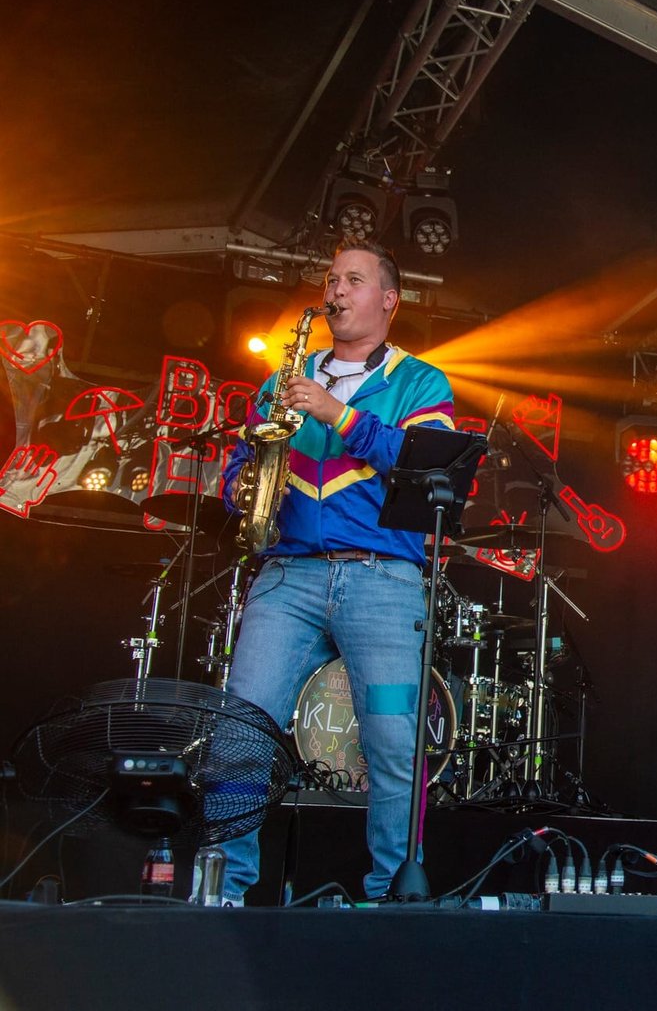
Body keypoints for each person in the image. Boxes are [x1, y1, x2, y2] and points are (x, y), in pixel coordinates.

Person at [217, 241, 455, 904]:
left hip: (382, 581)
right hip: (287, 577)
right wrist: (242, 486)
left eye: (354, 280)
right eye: (331, 280)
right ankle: (223, 887)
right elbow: (241, 463)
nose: (337, 291)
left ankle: (392, 895)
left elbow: (423, 465)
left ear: (389, 300)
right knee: (240, 731)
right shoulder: (280, 380)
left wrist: (336, 413)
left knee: (393, 741)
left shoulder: (421, 381)